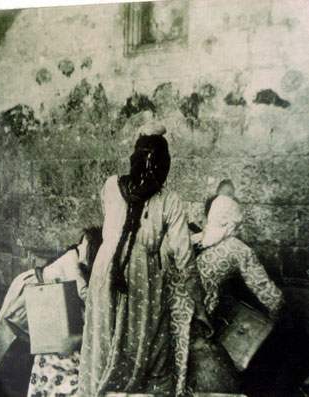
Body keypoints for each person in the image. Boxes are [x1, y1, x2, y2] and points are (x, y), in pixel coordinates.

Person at [78, 122, 197, 397]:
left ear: (133, 158)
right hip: (143, 275)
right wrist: (197, 303)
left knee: (103, 335)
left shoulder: (111, 186)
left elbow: (112, 224)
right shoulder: (170, 200)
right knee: (145, 339)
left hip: (106, 268)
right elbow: (184, 256)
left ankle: (98, 388)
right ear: (164, 166)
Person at [0, 227, 103, 387]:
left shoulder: (78, 260)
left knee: (30, 337)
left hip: (48, 294)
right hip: (32, 289)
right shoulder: (71, 259)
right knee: (9, 329)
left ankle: (9, 374)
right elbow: (83, 291)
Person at [192, 179, 284, 319]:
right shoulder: (238, 248)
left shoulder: (197, 238)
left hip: (179, 302)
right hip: (203, 310)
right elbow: (260, 283)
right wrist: (279, 307)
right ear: (234, 223)